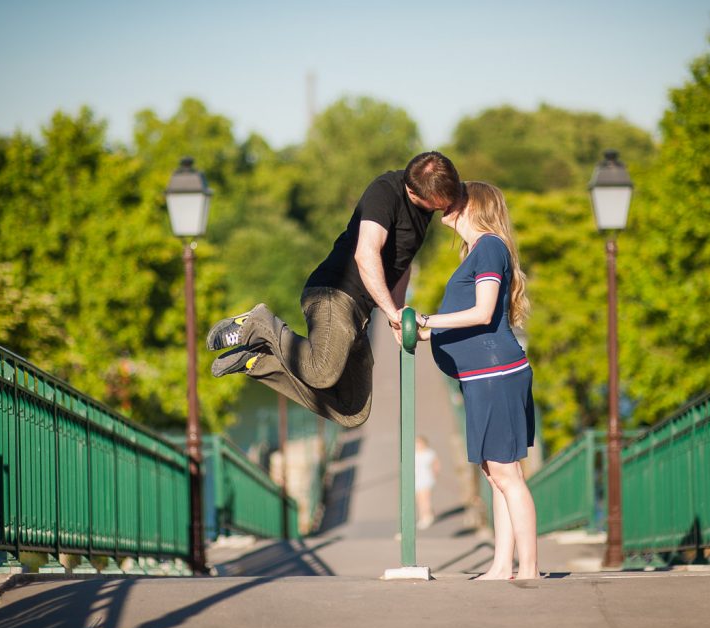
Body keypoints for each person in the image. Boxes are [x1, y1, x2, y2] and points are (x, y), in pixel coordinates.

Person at [206, 152, 462, 428]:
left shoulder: (423, 210)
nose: (442, 211)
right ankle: (259, 323)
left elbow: (402, 263)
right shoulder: (385, 192)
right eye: (437, 206)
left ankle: (255, 362)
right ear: (413, 190)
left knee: (353, 411)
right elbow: (366, 253)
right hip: (335, 293)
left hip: (360, 313)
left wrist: (395, 314)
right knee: (321, 372)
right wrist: (389, 309)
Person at [415, 181, 538, 580]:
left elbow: (484, 313)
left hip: (496, 374)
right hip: (483, 376)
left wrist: (429, 323)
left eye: (455, 199)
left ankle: (530, 569)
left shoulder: (488, 247)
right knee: (496, 474)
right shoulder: (477, 251)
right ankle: (502, 566)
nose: (445, 205)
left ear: (473, 207)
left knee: (507, 474)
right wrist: (428, 331)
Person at [414, 435, 441, 530]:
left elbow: (436, 464)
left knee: (425, 498)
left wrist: (435, 474)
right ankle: (424, 515)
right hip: (416, 478)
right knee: (419, 499)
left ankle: (427, 517)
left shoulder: (429, 453)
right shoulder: (414, 453)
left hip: (426, 478)